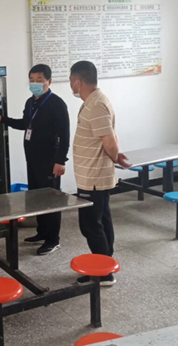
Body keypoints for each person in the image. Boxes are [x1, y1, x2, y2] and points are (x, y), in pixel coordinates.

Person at [0, 64, 70, 255]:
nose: (34, 83)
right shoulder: (31, 102)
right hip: (32, 159)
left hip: (50, 161)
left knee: (51, 200)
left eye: (39, 79)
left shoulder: (57, 104)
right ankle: (42, 232)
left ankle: (53, 239)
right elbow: (25, 124)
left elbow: (64, 135)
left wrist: (61, 161)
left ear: (49, 81)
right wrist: (2, 119)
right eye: (31, 79)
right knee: (37, 197)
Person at [69, 60, 130, 286]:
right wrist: (115, 156)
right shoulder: (94, 101)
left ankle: (103, 273)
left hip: (93, 177)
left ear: (78, 82)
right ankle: (105, 264)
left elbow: (109, 141)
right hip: (92, 175)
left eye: (71, 81)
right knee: (102, 220)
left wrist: (116, 157)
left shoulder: (96, 105)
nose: (71, 85)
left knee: (91, 225)